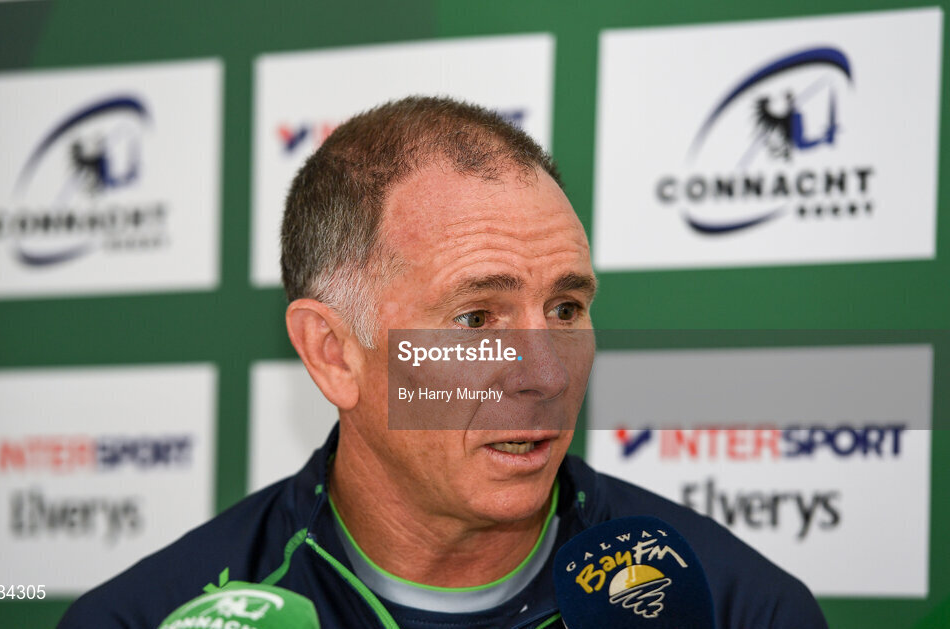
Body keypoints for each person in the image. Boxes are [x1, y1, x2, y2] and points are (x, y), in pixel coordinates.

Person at [59, 96, 827, 628]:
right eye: (475, 317)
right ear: (333, 355)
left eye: (566, 309)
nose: (546, 375)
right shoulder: (140, 617)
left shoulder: (741, 606)